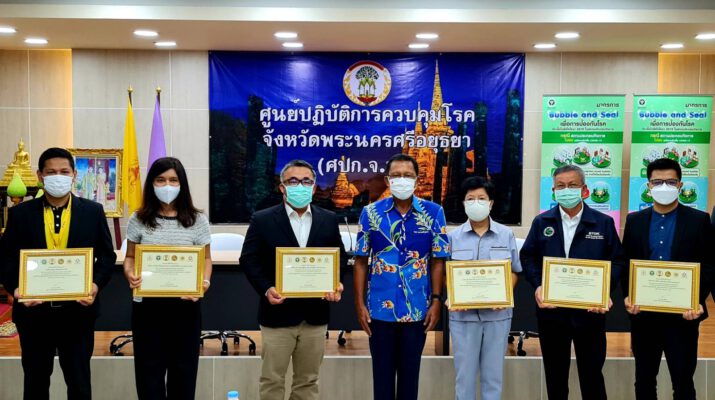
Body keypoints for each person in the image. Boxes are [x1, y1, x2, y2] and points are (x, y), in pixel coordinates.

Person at [0, 147, 116, 400]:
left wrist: (95, 285)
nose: (58, 177)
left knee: (79, 383)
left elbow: (107, 257)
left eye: (64, 171)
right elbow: (5, 258)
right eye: (51, 172)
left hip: (77, 314)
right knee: (35, 382)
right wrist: (16, 289)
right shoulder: (20, 214)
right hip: (34, 314)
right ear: (40, 176)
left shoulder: (93, 211)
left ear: (74, 175)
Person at [240, 159, 347, 400]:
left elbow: (339, 257)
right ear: (282, 187)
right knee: (272, 380)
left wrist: (336, 282)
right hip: (277, 314)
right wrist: (266, 288)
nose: (300, 186)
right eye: (293, 181)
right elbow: (248, 259)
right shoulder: (262, 219)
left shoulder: (328, 219)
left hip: (315, 315)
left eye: (306, 181)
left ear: (314, 187)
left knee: (308, 381)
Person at [520, 164, 622, 400]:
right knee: (555, 377)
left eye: (572, 185)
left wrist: (605, 290)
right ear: (553, 191)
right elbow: (528, 257)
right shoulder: (542, 222)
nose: (566, 190)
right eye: (561, 186)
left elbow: (617, 260)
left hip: (590, 312)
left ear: (584, 190)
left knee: (592, 375)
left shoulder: (603, 223)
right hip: (552, 312)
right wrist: (538, 285)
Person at [354, 153, 450, 400]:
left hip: (417, 309)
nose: (402, 180)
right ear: (388, 180)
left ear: (417, 179)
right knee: (382, 381)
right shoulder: (370, 213)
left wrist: (436, 301)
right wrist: (359, 304)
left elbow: (438, 260)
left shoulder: (433, 213)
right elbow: (361, 261)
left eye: (408, 175)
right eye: (396, 175)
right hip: (380, 310)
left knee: (409, 380)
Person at [122, 157, 212, 400]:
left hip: (185, 307)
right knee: (148, 375)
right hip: (148, 308)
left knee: (183, 375)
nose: (167, 185)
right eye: (160, 180)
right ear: (151, 184)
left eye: (173, 180)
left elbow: (206, 259)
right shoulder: (138, 218)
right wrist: (130, 273)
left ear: (182, 184)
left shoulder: (197, 220)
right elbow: (130, 257)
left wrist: (203, 284)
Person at [623, 158, 712, 399]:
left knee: (683, 382)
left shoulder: (699, 220)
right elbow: (626, 262)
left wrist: (696, 299)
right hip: (644, 315)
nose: (664, 187)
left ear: (680, 185)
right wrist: (628, 295)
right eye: (657, 182)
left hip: (683, 316)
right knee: (644, 381)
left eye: (671, 182)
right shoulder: (634, 221)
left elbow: (708, 264)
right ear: (648, 186)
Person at [447, 176, 521, 400]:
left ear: (491, 203)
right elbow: (446, 273)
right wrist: (452, 295)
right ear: (463, 203)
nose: (476, 203)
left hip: (497, 317)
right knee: (464, 379)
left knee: (493, 378)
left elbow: (515, 271)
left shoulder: (506, 234)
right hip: (463, 318)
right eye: (471, 199)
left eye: (481, 198)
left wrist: (504, 294)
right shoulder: (452, 237)